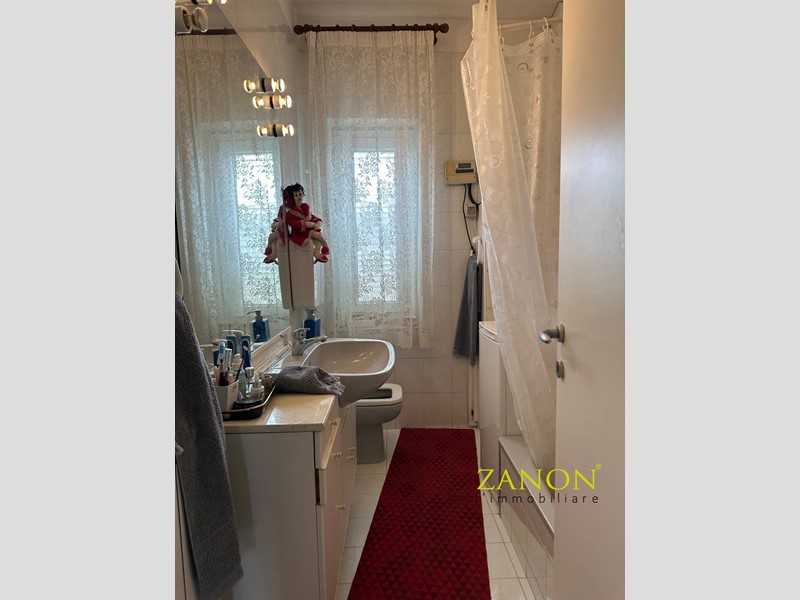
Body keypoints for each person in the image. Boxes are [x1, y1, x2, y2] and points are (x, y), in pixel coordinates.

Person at [264, 183, 330, 264]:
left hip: (306, 230)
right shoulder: (287, 211)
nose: (299, 197)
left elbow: (312, 217)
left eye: (300, 194)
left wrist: (317, 222)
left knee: (319, 237)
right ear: (290, 198)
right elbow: (290, 222)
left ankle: (318, 253)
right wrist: (276, 224)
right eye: (296, 195)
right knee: (272, 237)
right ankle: (272, 254)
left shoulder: (305, 207)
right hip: (297, 232)